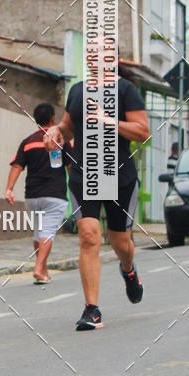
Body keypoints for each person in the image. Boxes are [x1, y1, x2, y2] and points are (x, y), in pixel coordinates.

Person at [44, 63, 150, 330]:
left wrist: (110, 121)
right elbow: (68, 127)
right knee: (89, 236)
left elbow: (143, 131)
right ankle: (92, 309)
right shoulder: (78, 90)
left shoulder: (126, 90)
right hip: (84, 175)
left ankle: (128, 269)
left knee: (121, 242)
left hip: (120, 176)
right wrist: (57, 132)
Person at [6, 103, 70, 283]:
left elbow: (17, 166)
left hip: (32, 196)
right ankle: (38, 268)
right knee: (47, 233)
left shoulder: (28, 142)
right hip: (54, 195)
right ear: (52, 119)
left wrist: (9, 189)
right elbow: (71, 167)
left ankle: (43, 269)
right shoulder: (60, 139)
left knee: (39, 234)